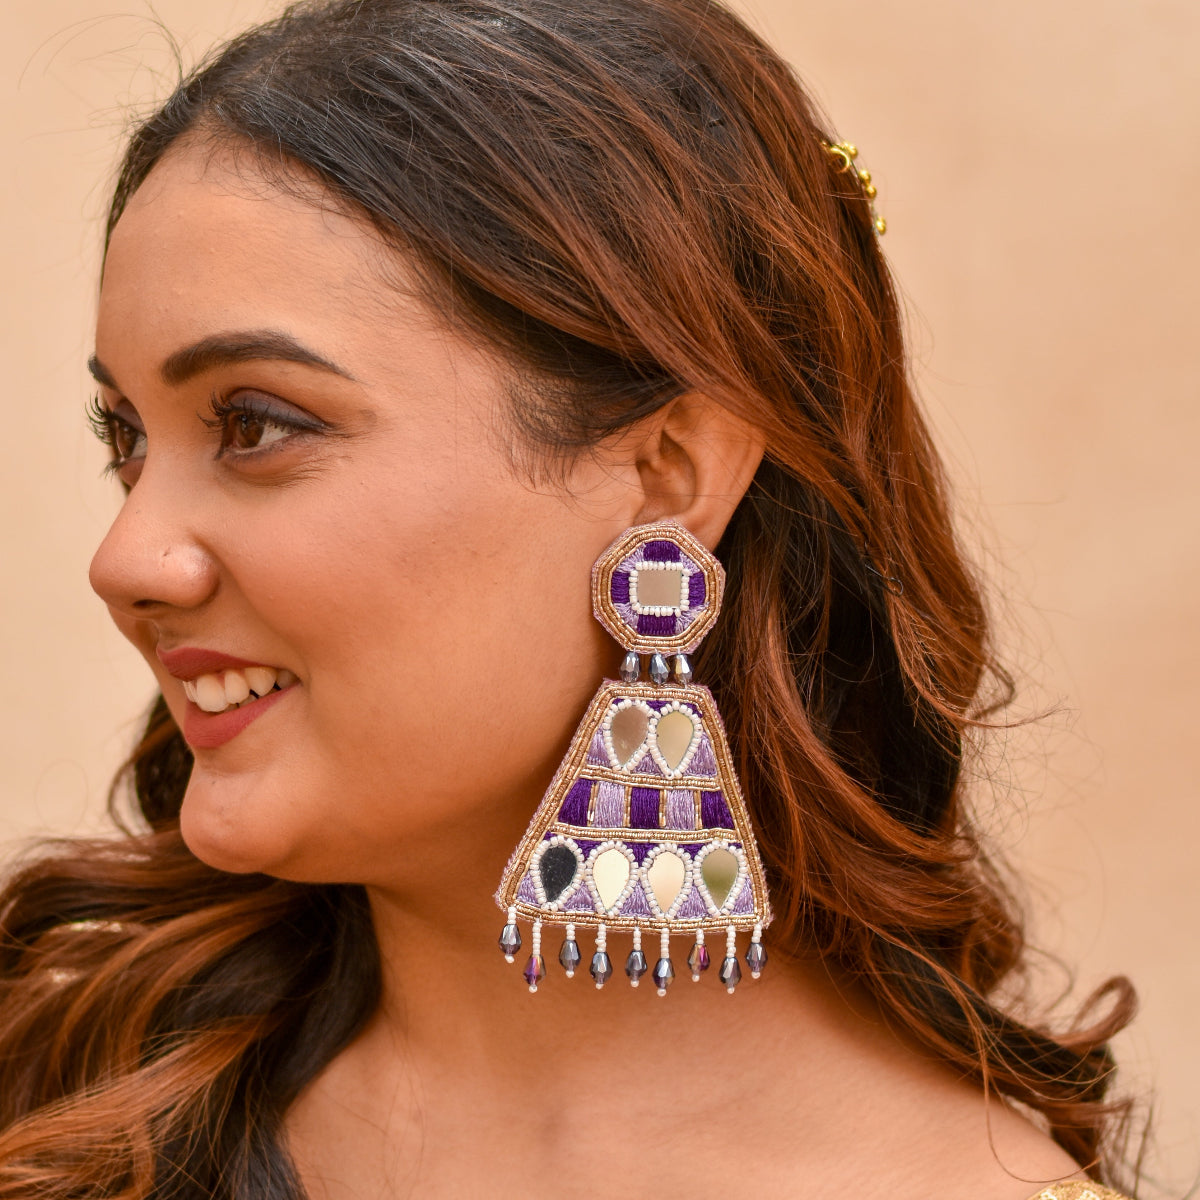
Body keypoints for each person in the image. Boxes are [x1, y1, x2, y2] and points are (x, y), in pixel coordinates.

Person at [0, 0, 1142, 1196]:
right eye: (124, 437)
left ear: (666, 476)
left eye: (255, 425)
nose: (127, 559)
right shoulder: (66, 1106)